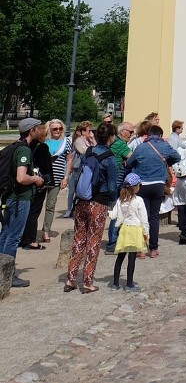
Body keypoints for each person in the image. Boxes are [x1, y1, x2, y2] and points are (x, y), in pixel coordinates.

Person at [64, 122, 118, 293]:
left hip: (81, 201)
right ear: (111, 137)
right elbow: (112, 186)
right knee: (93, 241)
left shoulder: (89, 152)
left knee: (78, 239)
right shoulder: (110, 158)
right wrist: (113, 201)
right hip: (98, 202)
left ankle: (70, 279)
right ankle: (87, 281)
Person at [0, 118, 46, 287]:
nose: (39, 130)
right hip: (20, 199)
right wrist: (35, 179)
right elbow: (21, 177)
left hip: (9, 197)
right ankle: (8, 275)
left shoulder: (14, 145)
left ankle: (2, 270)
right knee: (13, 237)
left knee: (5, 233)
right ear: (32, 130)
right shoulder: (24, 151)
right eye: (37, 128)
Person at [130, 124, 181, 252]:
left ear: (148, 134)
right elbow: (177, 157)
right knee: (154, 217)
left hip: (142, 185)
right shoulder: (164, 146)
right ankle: (153, 249)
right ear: (160, 135)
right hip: (158, 184)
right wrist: (165, 161)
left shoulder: (140, 147)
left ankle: (141, 249)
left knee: (142, 216)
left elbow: (129, 163)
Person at [108, 172, 149, 291]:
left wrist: (105, 211)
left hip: (124, 229)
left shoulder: (120, 200)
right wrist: (146, 233)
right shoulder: (139, 200)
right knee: (131, 259)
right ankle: (129, 284)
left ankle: (115, 283)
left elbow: (113, 215)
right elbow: (144, 219)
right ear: (135, 187)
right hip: (135, 230)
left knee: (120, 257)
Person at [22, 121, 52, 250]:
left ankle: (22, 237)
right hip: (37, 182)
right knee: (33, 212)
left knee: (24, 211)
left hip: (24, 181)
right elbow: (45, 167)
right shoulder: (42, 147)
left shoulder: (22, 144)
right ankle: (30, 240)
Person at [41, 119, 71, 242]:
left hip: (57, 178)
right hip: (42, 178)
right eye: (55, 129)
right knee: (36, 206)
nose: (57, 131)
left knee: (50, 206)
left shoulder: (65, 142)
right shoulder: (44, 141)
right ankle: (30, 230)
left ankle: (46, 231)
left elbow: (69, 160)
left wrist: (66, 177)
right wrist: (46, 126)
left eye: (60, 128)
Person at [105, 121, 134, 252]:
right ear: (122, 131)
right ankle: (112, 243)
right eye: (130, 132)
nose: (132, 135)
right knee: (117, 212)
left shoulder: (113, 142)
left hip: (109, 181)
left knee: (114, 211)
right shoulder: (120, 144)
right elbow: (132, 158)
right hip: (116, 182)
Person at [65, 122, 94, 216]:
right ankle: (69, 209)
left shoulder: (90, 140)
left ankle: (81, 208)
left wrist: (92, 139)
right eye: (89, 130)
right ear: (83, 131)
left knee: (83, 190)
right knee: (72, 191)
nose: (91, 132)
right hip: (75, 169)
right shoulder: (78, 141)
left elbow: (97, 149)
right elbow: (84, 152)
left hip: (85, 169)